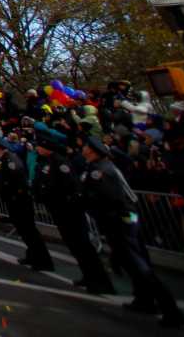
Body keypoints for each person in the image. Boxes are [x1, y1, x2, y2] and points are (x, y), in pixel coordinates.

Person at [80, 135, 184, 328]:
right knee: (131, 263)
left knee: (139, 265)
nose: (83, 148)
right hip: (123, 219)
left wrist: (111, 221)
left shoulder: (101, 171)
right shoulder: (100, 167)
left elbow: (113, 201)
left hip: (122, 220)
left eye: (86, 146)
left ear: (93, 151)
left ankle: (171, 309)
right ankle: (144, 299)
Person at [33, 126, 114, 295]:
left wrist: (69, 202)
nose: (37, 148)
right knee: (74, 246)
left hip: (69, 210)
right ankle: (88, 275)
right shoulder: (46, 162)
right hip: (59, 210)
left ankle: (101, 281)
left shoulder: (60, 162)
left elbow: (71, 186)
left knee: (83, 246)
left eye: (40, 146)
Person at [0, 134, 53, 271]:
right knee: (24, 231)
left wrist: (13, 194)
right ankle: (32, 255)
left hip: (19, 200)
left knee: (29, 230)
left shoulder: (10, 160)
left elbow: (17, 180)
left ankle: (43, 260)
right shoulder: (2, 159)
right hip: (13, 200)